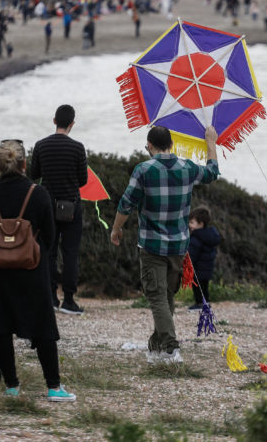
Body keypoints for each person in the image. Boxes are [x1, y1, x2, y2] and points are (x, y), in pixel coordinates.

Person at [0, 139, 76, 402]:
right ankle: (53, 387)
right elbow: (51, 236)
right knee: (42, 326)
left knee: (1, 326)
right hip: (32, 270)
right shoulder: (38, 193)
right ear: (24, 164)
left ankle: (11, 386)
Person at [111, 125, 220, 363]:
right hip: (179, 246)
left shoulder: (143, 169)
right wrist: (211, 142)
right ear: (171, 145)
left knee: (157, 295)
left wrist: (117, 228)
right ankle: (157, 346)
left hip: (151, 245)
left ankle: (170, 347)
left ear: (149, 146)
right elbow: (212, 173)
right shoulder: (188, 167)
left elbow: (126, 203)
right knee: (167, 295)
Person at [29, 105, 88, 315]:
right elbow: (83, 180)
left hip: (46, 205)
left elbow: (33, 174)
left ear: (54, 121)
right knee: (70, 254)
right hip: (71, 205)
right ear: (72, 123)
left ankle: (51, 297)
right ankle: (69, 300)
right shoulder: (78, 148)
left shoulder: (41, 145)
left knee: (48, 252)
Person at [186, 206, 220, 311]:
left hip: (198, 267)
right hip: (207, 267)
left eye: (192, 222)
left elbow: (192, 253)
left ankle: (199, 303)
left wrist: (188, 263)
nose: (189, 225)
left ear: (200, 224)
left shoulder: (197, 237)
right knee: (204, 286)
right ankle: (206, 303)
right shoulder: (211, 235)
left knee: (197, 286)